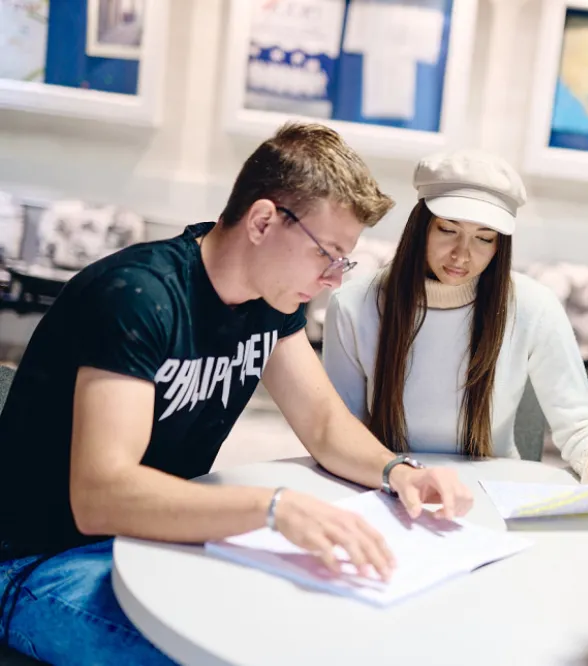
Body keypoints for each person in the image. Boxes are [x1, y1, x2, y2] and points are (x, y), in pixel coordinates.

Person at [0, 122, 473, 664]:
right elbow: (101, 497)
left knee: (316, 627)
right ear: (264, 220)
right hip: (36, 559)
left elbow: (322, 422)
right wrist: (271, 509)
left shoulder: (271, 303)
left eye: (345, 260)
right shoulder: (137, 298)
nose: (334, 279)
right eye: (328, 254)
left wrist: (400, 472)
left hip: (153, 540)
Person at [323, 150, 588, 482]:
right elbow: (340, 431)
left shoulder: (533, 306)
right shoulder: (354, 305)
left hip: (492, 493)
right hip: (386, 485)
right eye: (447, 229)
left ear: (500, 246)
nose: (462, 254)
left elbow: (578, 425)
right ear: (420, 227)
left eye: (484, 238)